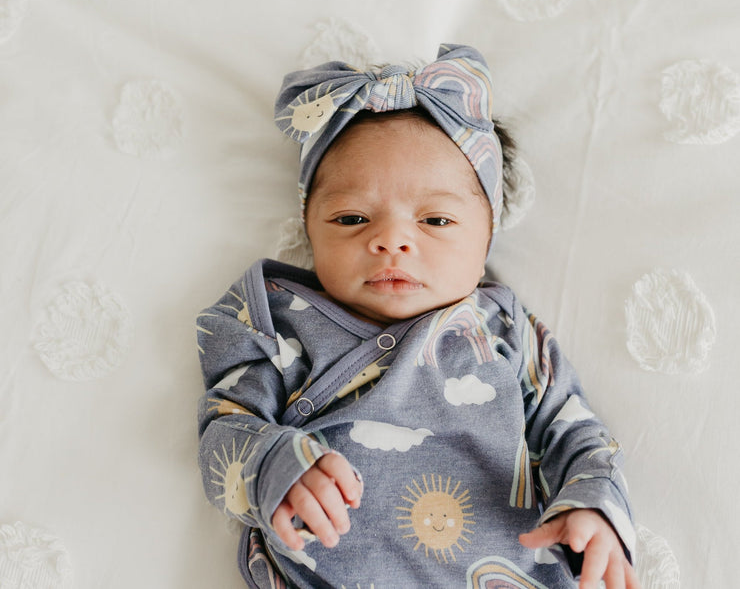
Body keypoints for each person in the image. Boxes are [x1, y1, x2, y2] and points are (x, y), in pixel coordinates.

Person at [197, 44, 640, 589]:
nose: (391, 240)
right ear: (309, 230)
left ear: (487, 238)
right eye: (351, 218)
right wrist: (272, 464)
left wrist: (595, 506)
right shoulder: (277, 320)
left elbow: (571, 428)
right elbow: (223, 431)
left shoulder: (500, 328)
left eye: (435, 220)